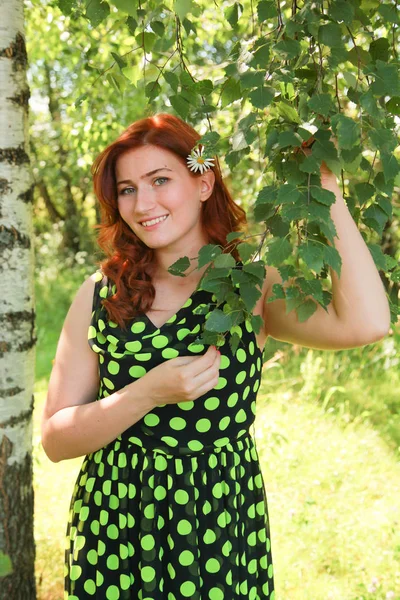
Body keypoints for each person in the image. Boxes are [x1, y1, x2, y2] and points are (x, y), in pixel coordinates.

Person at [41, 113, 391, 600]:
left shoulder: (248, 285)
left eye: (160, 180)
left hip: (217, 524)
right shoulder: (101, 293)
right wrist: (146, 394)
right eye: (126, 189)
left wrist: (324, 184)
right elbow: (55, 441)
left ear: (203, 181)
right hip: (113, 523)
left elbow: (368, 323)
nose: (143, 204)